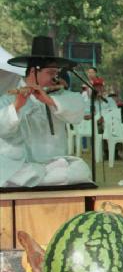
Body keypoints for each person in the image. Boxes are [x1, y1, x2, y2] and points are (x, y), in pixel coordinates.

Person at [0, 36, 92, 187]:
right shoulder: (8, 99)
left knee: (80, 169)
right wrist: (16, 106)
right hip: (22, 164)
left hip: (53, 164)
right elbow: (2, 130)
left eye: (56, 73)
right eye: (50, 73)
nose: (55, 78)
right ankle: (36, 178)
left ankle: (37, 179)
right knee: (7, 169)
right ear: (33, 71)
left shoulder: (58, 96)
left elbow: (78, 109)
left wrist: (48, 101)